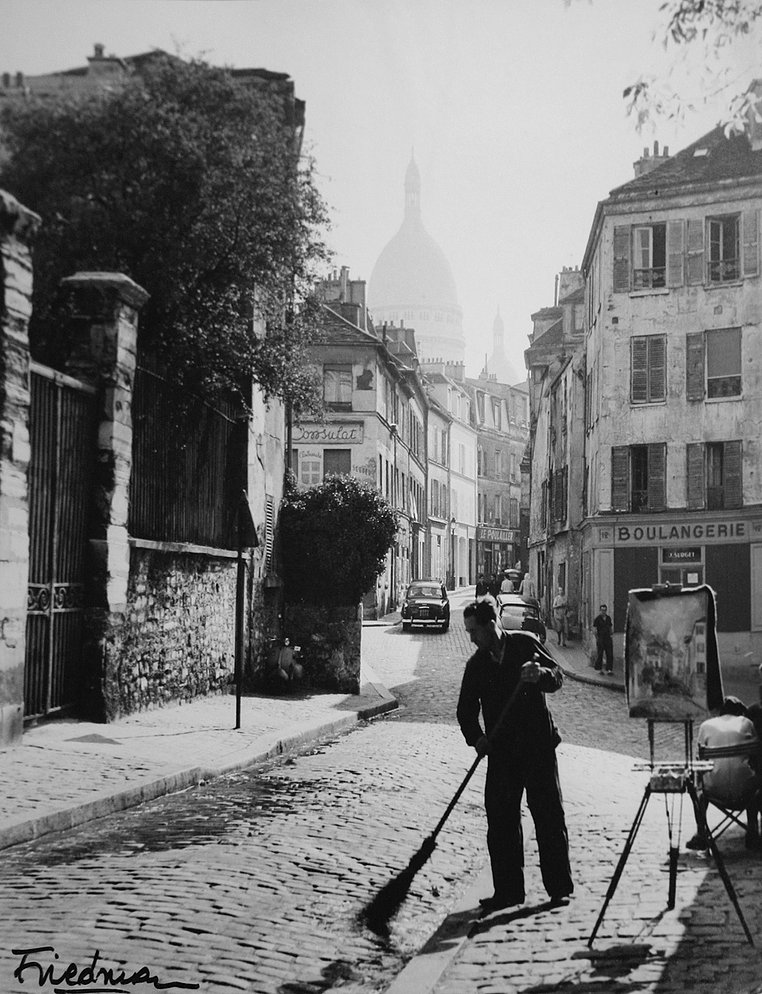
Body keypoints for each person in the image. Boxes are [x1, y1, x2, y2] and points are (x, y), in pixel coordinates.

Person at [457, 599, 574, 910]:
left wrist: (541, 675)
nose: (471, 638)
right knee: (501, 821)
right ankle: (508, 892)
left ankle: (559, 887)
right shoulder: (477, 666)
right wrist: (477, 739)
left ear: (491, 625)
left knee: (548, 816)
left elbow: (558, 676)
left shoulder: (526, 645)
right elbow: (465, 712)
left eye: (474, 631)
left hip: (538, 748)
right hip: (502, 753)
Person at [686, 696, 761, 851]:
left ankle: (701, 832)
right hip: (744, 792)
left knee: (698, 784)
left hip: (714, 791)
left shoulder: (706, 726)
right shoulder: (747, 723)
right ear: (740, 712)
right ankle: (753, 829)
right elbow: (755, 755)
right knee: (753, 778)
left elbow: (699, 760)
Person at [592, 604, 614, 674]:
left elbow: (610, 627)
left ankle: (609, 669)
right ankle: (600, 669)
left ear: (606, 610)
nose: (603, 612)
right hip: (601, 638)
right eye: (602, 610)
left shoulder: (608, 618)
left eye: (604, 610)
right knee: (600, 654)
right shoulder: (597, 619)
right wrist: (597, 638)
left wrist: (611, 634)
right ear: (600, 610)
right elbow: (594, 629)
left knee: (609, 654)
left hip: (607, 638)